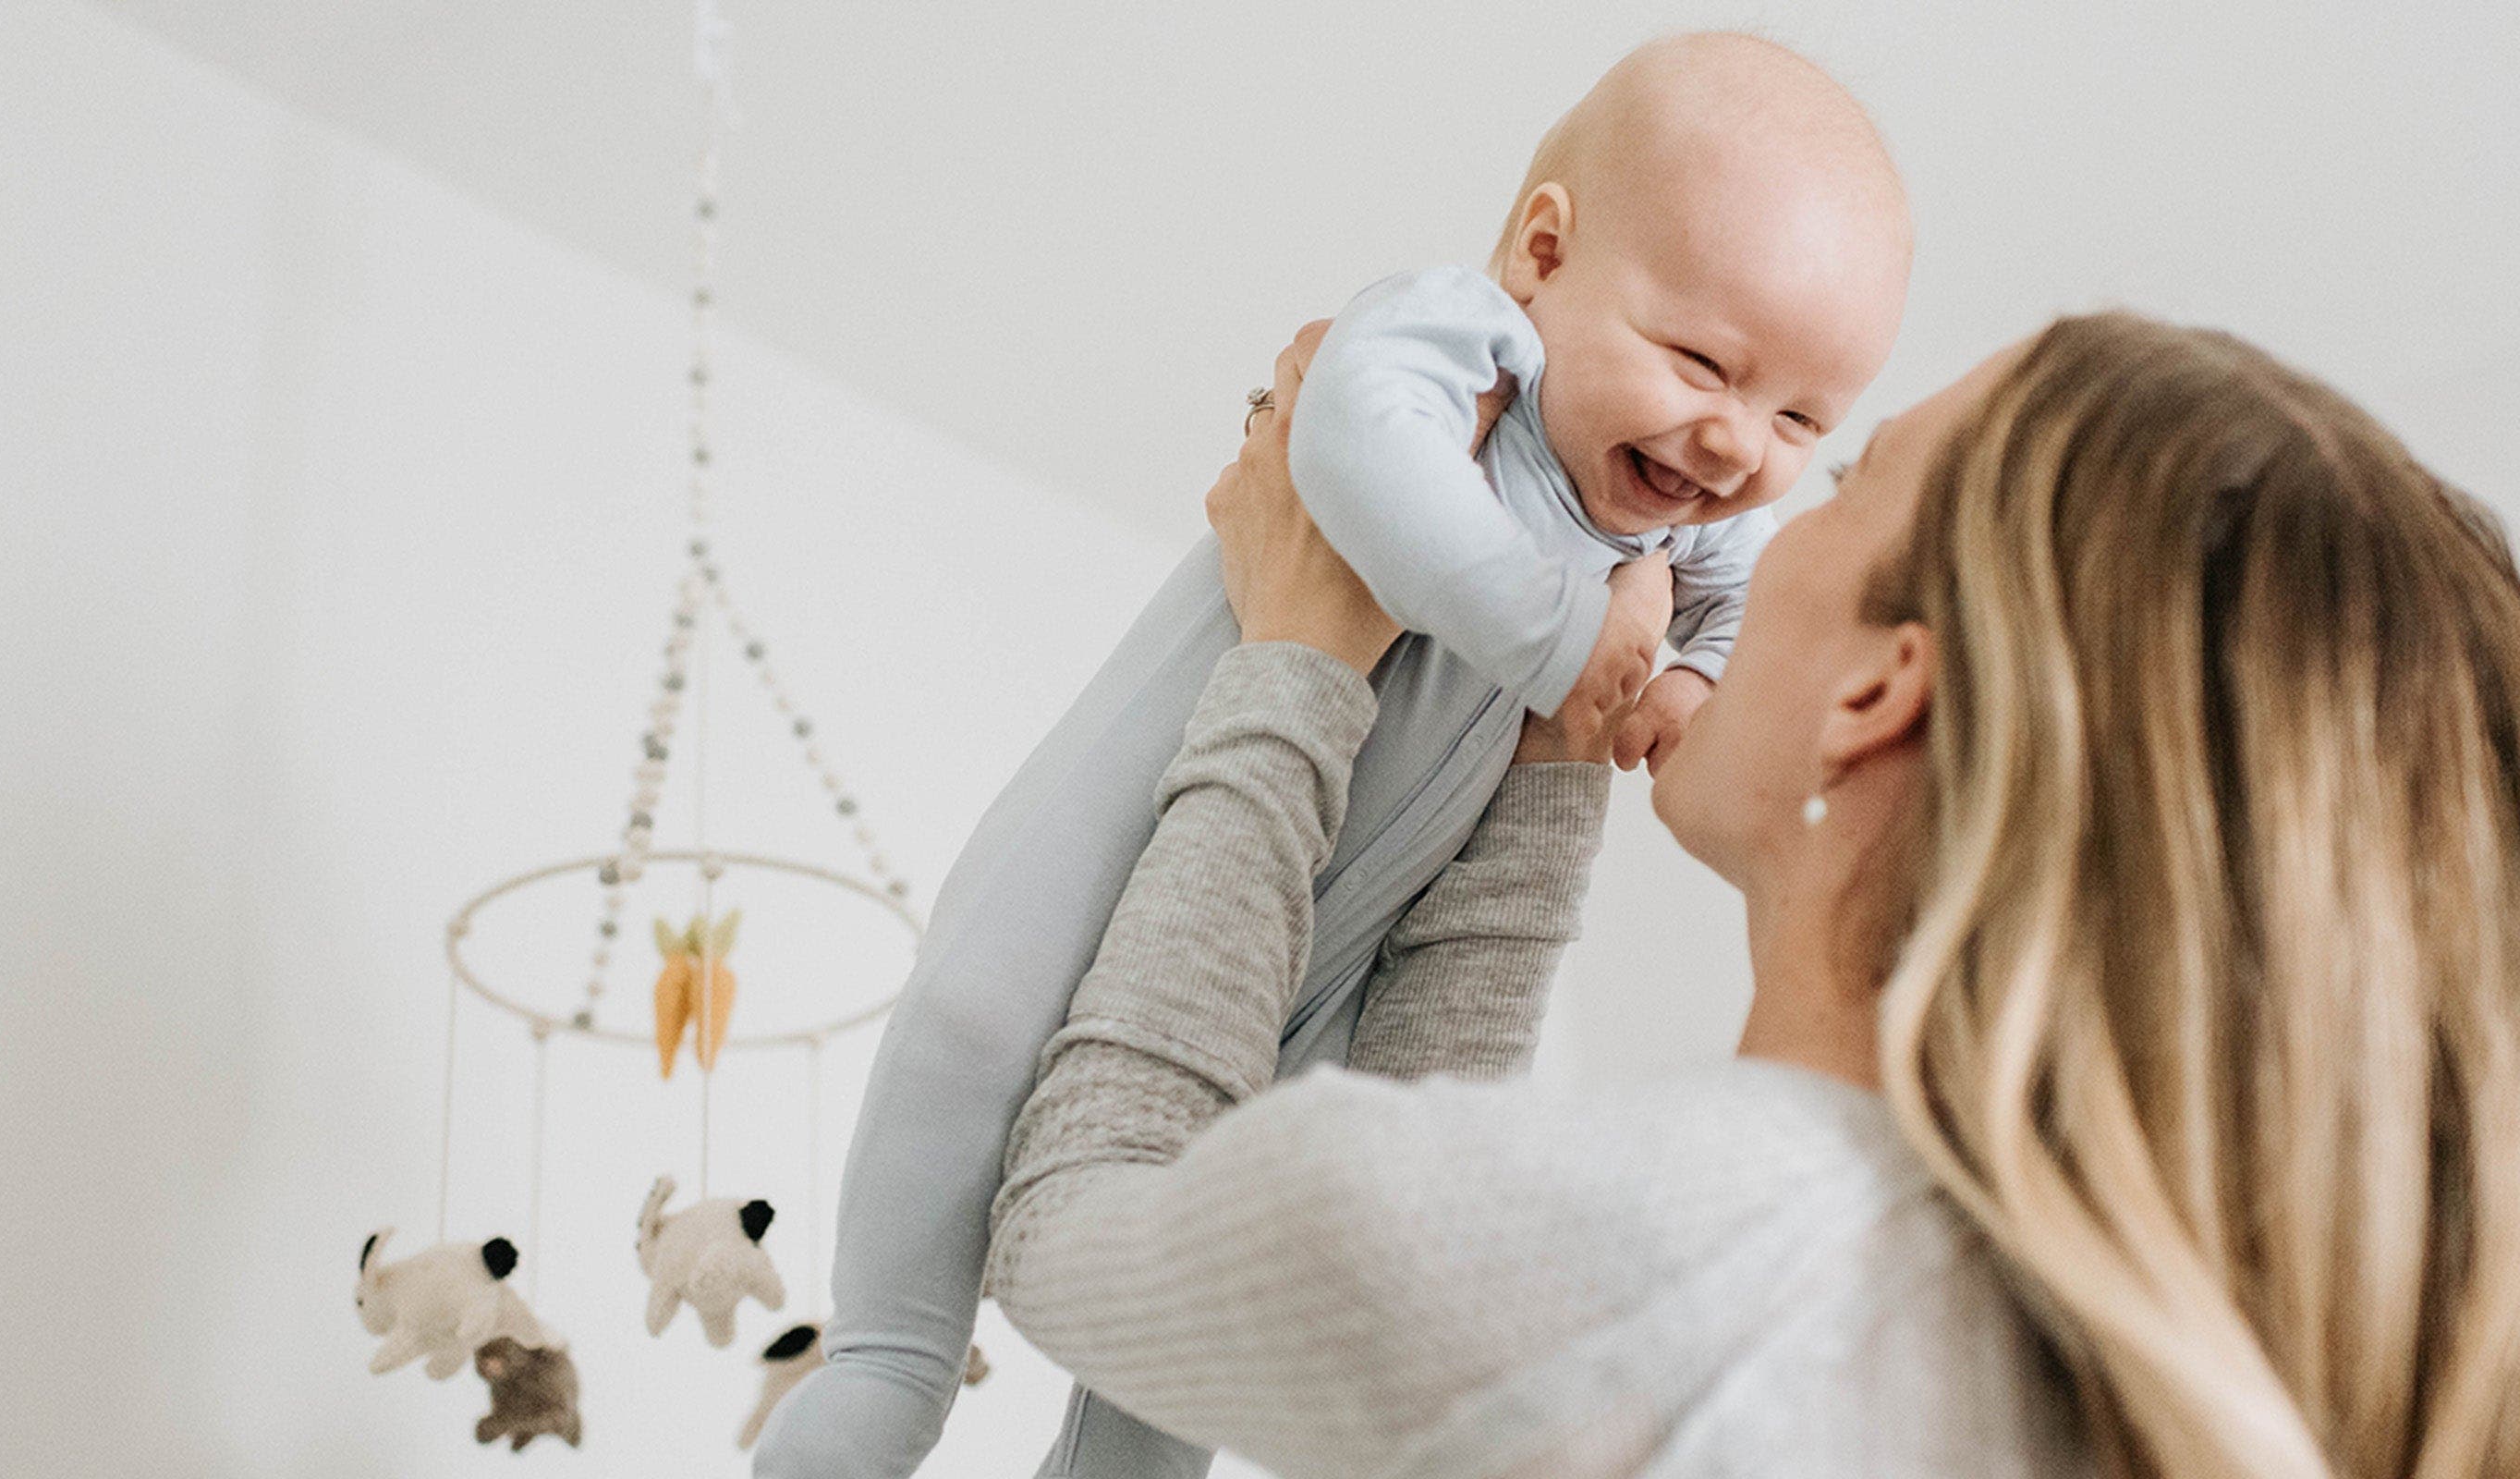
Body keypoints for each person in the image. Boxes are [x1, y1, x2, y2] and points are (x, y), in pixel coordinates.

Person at [979, 311, 2520, 1477]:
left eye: (1850, 470)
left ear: (1885, 687)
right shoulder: (2098, 1361)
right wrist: (1548, 760)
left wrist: (1291, 665)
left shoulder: (1664, 1252)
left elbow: (1080, 1221)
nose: (1756, 495)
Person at [759, 33, 1910, 1477]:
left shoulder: (1684, 530)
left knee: (1209, 1291)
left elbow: (1722, 610)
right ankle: (887, 1363)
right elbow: (1356, 461)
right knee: (971, 1030)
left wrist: (1681, 680)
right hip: (1128, 836)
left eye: (1805, 417)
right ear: (1543, 258)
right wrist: (1568, 638)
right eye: (1703, 362)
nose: (1739, 442)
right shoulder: (1449, 342)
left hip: (1327, 963)